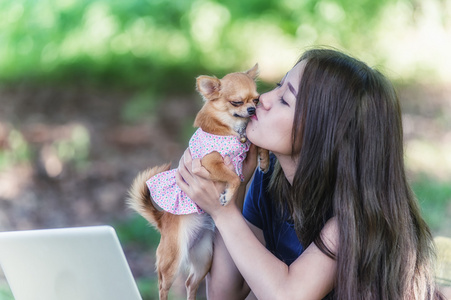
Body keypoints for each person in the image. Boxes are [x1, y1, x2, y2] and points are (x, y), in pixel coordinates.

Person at [175, 48, 445, 299]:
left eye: (285, 100)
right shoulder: (268, 180)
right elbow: (226, 294)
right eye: (278, 85)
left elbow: (288, 295)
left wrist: (223, 213)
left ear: (326, 133)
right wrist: (233, 189)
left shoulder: (356, 217)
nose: (263, 99)